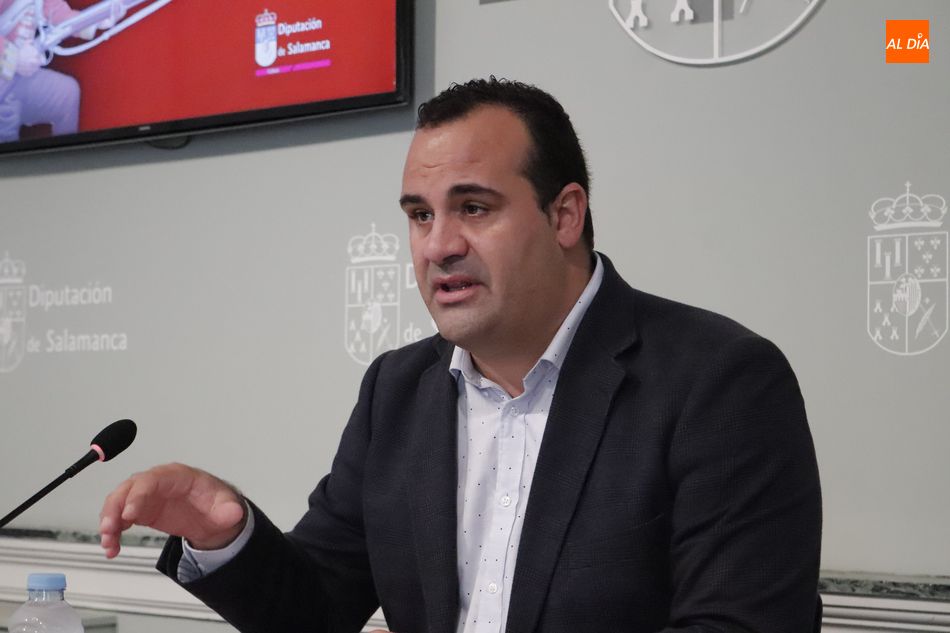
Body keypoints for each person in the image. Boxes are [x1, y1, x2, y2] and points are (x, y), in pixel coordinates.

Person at [98, 78, 822, 633]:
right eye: (420, 215)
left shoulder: (718, 381)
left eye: (473, 208)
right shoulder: (397, 390)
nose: (438, 245)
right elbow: (317, 607)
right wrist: (226, 535)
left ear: (564, 215)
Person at [0, 0, 124, 142]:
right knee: (6, 110)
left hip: (16, 78)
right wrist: (13, 57)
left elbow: (57, 13)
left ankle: (66, 154)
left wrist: (97, 20)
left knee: (66, 94)